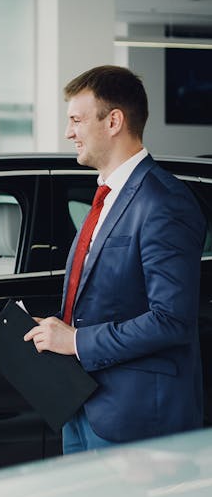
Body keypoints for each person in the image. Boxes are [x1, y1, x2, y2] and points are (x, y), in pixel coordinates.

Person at [24, 65, 205, 453]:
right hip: (83, 405)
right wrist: (60, 327)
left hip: (134, 416)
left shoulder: (163, 200)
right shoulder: (106, 198)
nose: (69, 132)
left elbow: (172, 319)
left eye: (76, 120)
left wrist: (77, 341)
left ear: (114, 121)